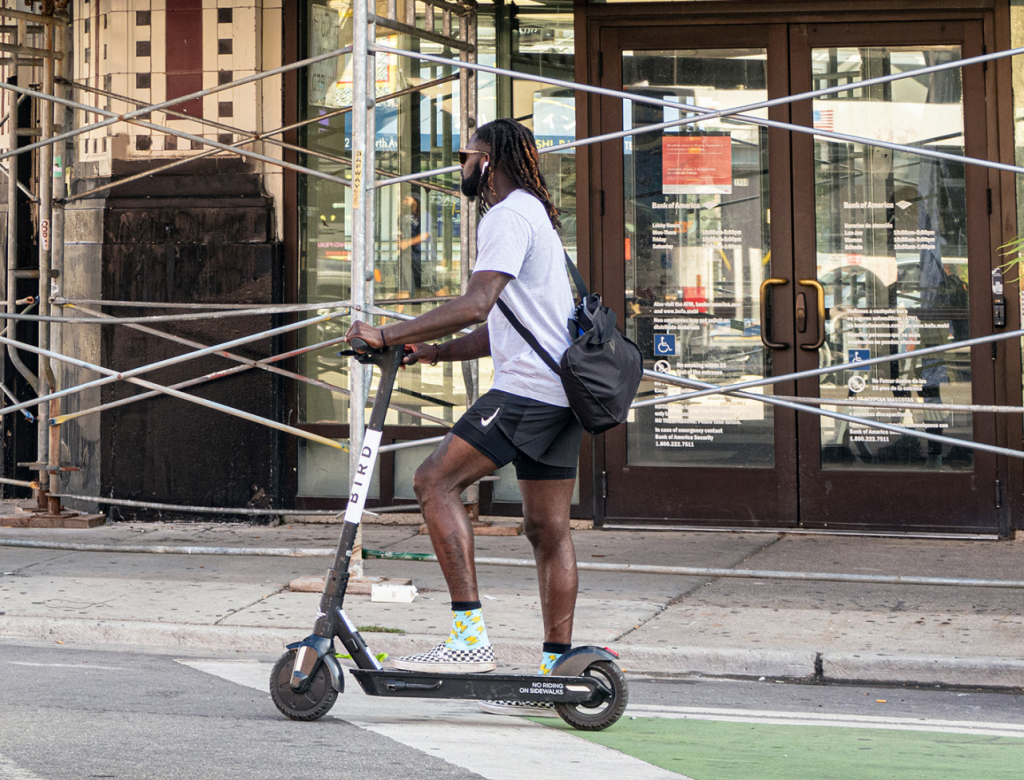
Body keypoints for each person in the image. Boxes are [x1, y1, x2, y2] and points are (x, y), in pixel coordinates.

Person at [345, 118, 582, 718]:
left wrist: (385, 333)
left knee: (433, 481)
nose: (461, 167)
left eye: (464, 155)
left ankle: (468, 639)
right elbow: (502, 326)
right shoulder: (536, 215)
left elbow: (476, 303)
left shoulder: (506, 215)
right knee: (548, 531)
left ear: (488, 160)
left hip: (526, 394)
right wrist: (433, 351)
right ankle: (555, 672)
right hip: (561, 398)